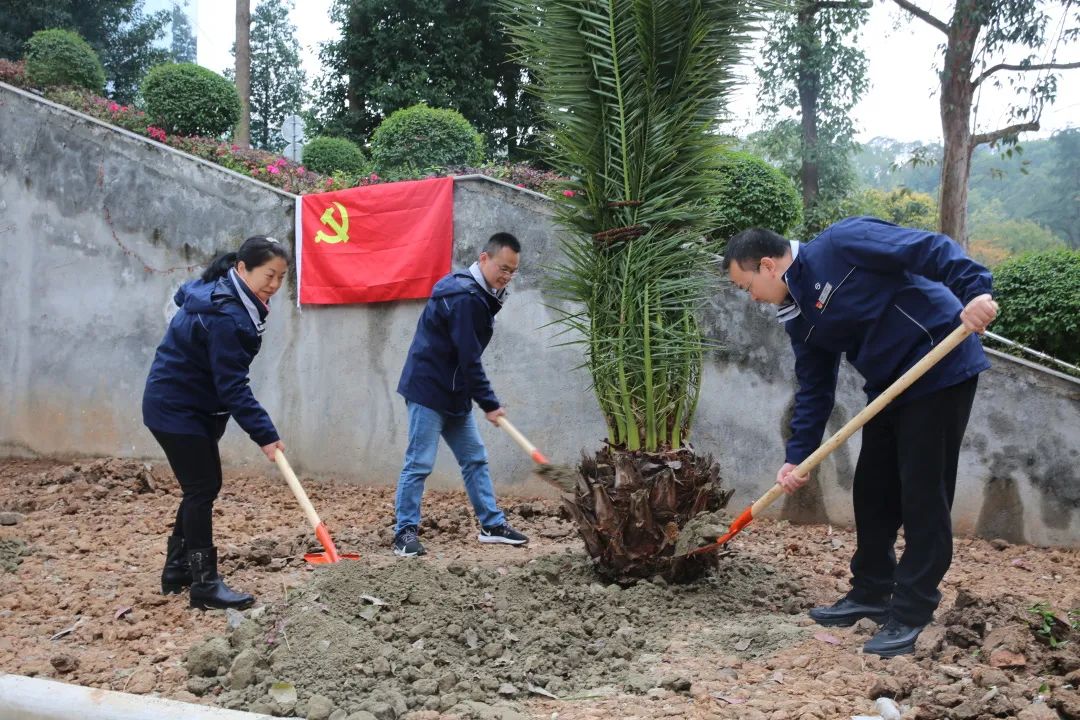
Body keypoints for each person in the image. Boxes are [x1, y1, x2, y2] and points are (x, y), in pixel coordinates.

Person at [722, 217, 998, 658]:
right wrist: (797, 457)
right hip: (887, 389)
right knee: (872, 492)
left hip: (938, 367)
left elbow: (928, 248)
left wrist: (975, 291)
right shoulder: (798, 317)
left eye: (746, 285)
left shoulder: (841, 243)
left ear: (768, 265)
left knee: (923, 493)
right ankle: (871, 590)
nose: (751, 298)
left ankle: (912, 609)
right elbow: (814, 389)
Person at [143, 235, 288, 610]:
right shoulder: (226, 315)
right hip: (176, 408)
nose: (273, 285)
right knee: (203, 487)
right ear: (242, 269)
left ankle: (177, 570)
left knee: (199, 487)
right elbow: (232, 386)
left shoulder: (227, 297)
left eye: (281, 278)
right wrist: (266, 435)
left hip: (193, 407)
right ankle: (204, 583)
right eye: (268, 275)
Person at [392, 232, 530, 557]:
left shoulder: (479, 294)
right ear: (484, 259)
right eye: (503, 268)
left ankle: (491, 525)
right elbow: (469, 359)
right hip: (429, 389)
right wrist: (490, 404)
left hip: (455, 392)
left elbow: (464, 361)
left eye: (512, 271)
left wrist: (478, 398)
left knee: (474, 458)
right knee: (419, 463)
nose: (506, 276)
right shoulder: (463, 296)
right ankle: (404, 533)